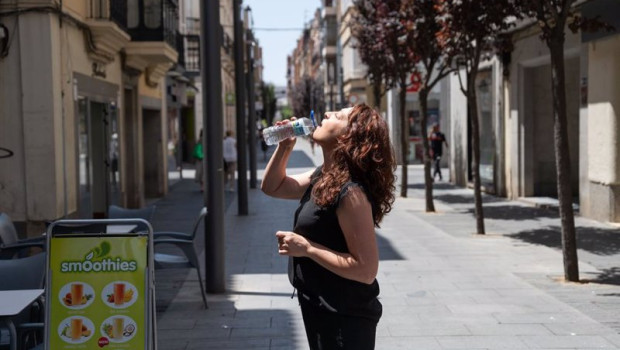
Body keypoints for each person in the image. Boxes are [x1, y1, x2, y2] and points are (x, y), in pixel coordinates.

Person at [261, 103, 396, 350]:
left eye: (339, 116)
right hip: (322, 306)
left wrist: (307, 248)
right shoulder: (324, 176)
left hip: (345, 317)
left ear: (348, 136)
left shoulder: (351, 193)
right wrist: (284, 147)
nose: (327, 114)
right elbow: (273, 187)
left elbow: (366, 270)